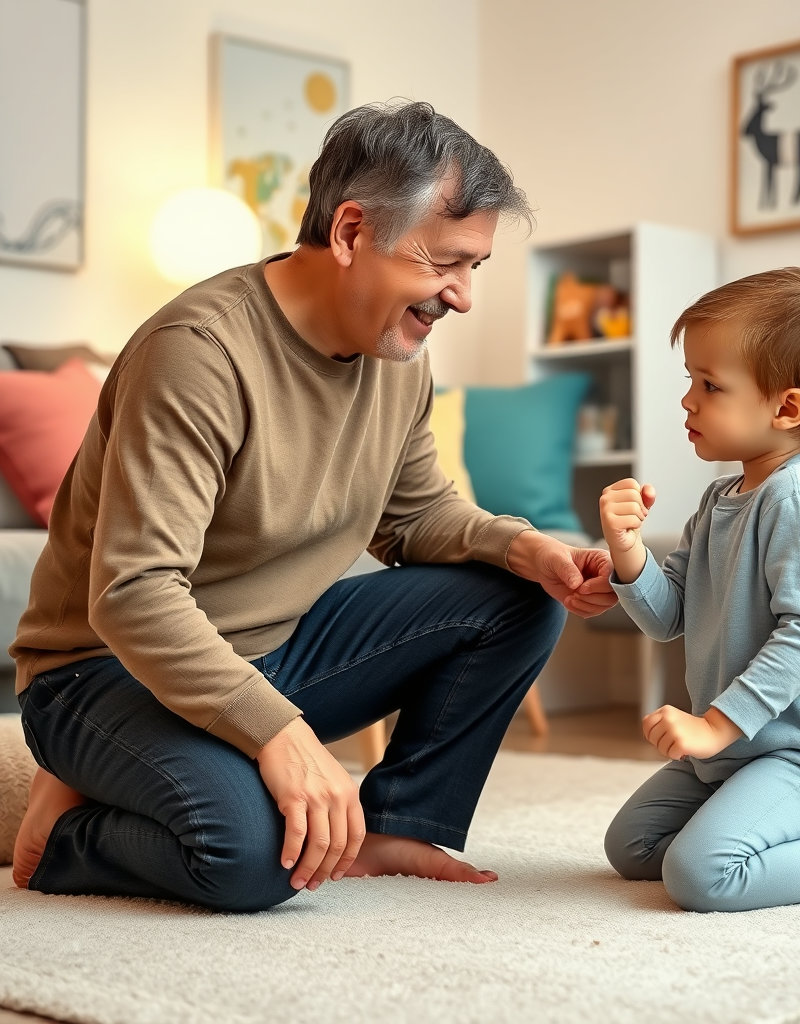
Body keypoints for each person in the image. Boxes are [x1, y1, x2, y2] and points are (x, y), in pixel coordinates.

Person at [10, 100, 616, 912]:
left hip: (275, 649)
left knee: (516, 596)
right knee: (258, 858)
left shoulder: (395, 352)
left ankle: (392, 822)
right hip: (105, 671)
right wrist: (280, 735)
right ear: (352, 232)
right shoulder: (199, 354)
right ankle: (68, 835)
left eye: (475, 267)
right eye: (446, 262)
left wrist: (525, 548)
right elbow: (135, 594)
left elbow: (416, 515)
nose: (463, 296)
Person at [599, 267, 800, 913]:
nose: (688, 400)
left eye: (711, 385)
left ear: (786, 409)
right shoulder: (722, 497)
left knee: (702, 877)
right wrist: (628, 551)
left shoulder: (799, 499)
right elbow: (670, 618)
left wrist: (714, 727)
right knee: (634, 848)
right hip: (734, 756)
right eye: (690, 380)